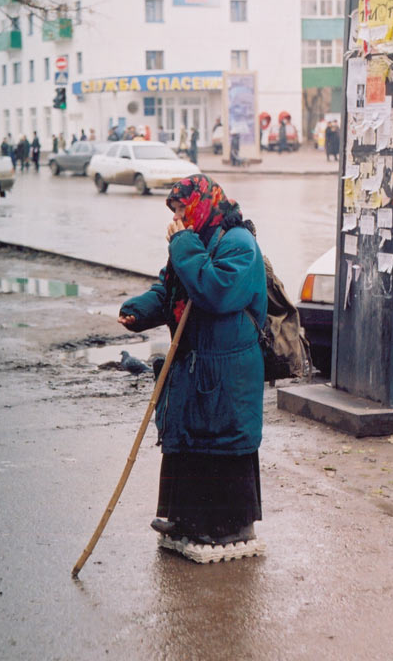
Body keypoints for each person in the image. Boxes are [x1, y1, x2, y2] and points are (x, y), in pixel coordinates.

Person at [118, 175, 267, 546]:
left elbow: (215, 291)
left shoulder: (238, 243)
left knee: (224, 443)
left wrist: (183, 243)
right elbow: (170, 288)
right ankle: (185, 519)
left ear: (203, 203)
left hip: (229, 365)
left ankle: (233, 525)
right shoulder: (194, 240)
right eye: (175, 210)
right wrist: (139, 311)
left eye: (182, 208)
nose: (179, 216)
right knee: (189, 440)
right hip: (196, 359)